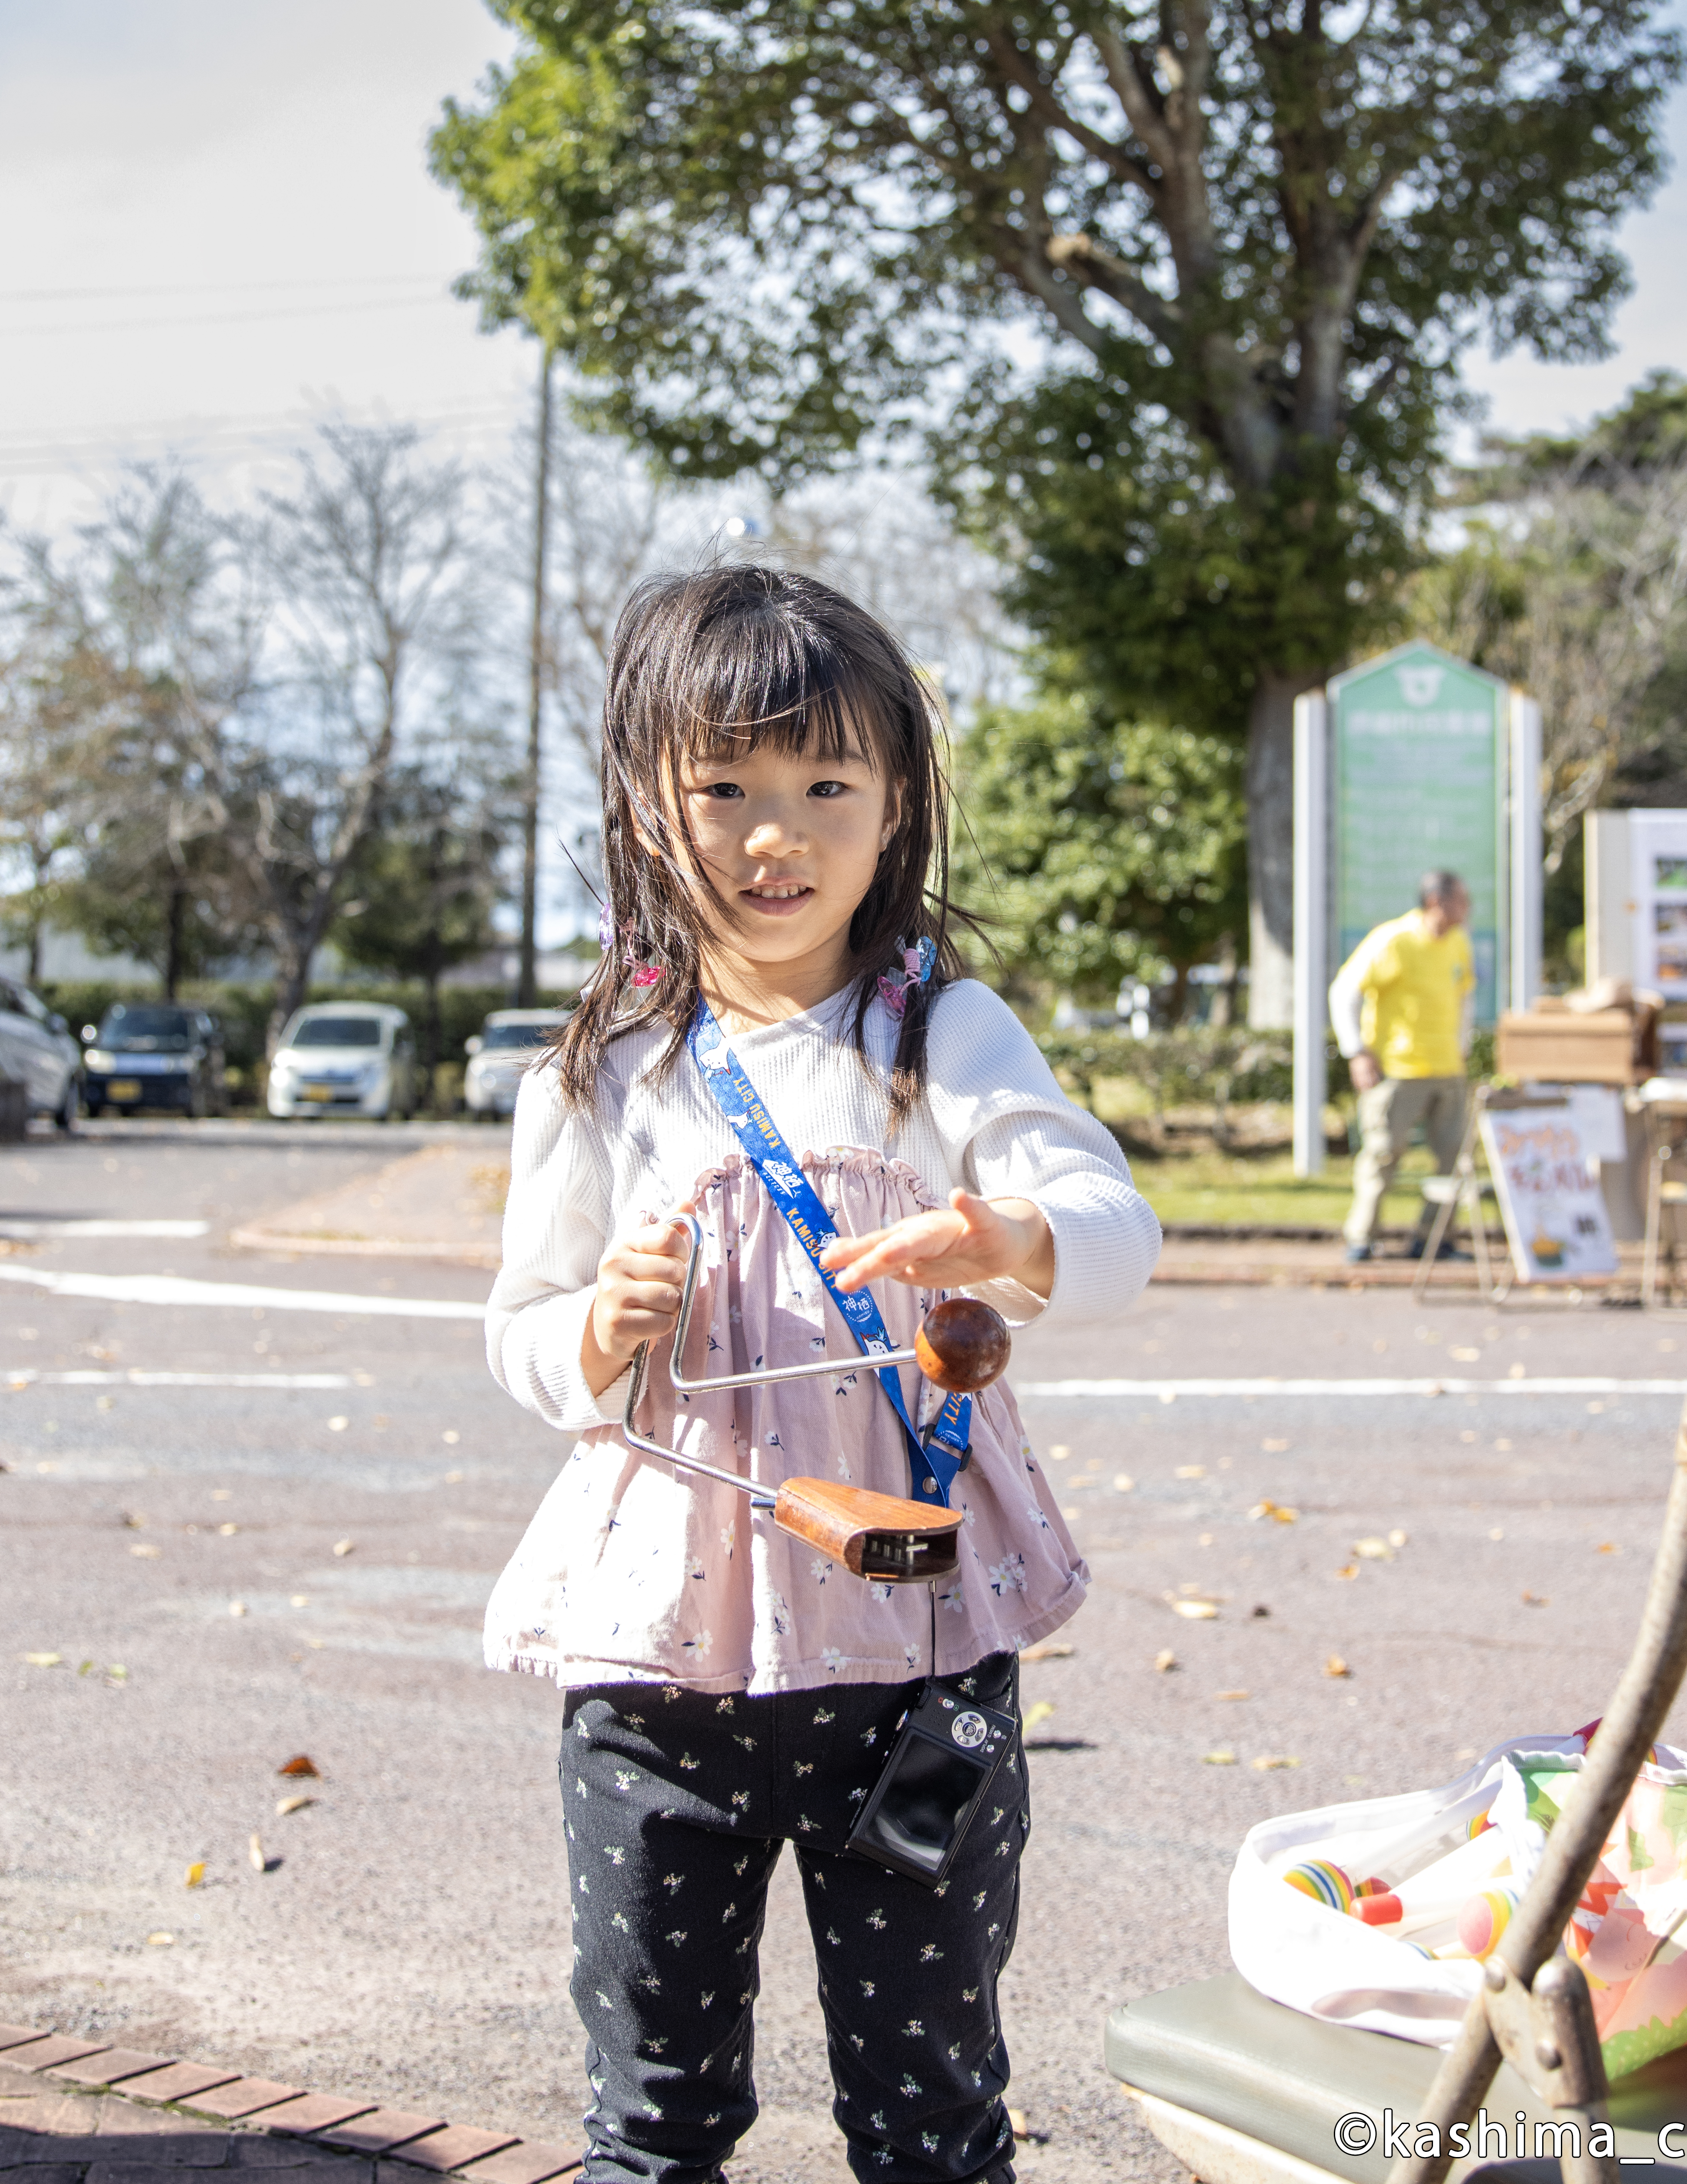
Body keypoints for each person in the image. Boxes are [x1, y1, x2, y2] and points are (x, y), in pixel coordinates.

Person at [484, 564, 1162, 2184]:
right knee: (651, 2115)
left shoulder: (944, 1034)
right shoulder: (598, 1071)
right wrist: (599, 1327)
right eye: (723, 786)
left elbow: (1116, 1226)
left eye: (824, 786)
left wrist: (1009, 1230)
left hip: (914, 1655)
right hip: (657, 1663)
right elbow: (522, 1333)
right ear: (642, 803)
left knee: (929, 2115)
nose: (772, 834)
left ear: (897, 803)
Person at [1330, 870, 1475, 1264]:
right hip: (1397, 1069)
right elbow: (1344, 992)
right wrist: (1357, 1052)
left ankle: (1435, 1239)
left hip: (1447, 1068)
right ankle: (1362, 1237)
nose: (1468, 908)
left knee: (1452, 1158)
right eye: (1461, 900)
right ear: (1436, 902)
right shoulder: (1393, 939)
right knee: (1382, 1154)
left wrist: (1462, 1048)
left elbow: (1464, 998)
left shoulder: (1458, 942)